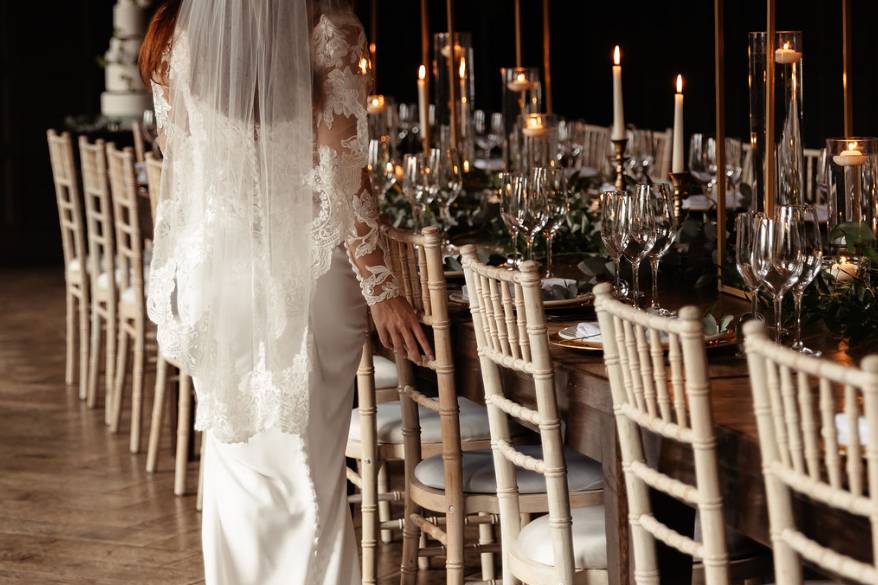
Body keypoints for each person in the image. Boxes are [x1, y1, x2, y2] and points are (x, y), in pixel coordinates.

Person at [138, 1, 432, 583]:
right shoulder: (327, 29)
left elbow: (182, 165)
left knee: (236, 464)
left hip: (216, 277)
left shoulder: (179, 38)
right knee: (307, 475)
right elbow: (343, 174)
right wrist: (381, 286)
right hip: (307, 278)